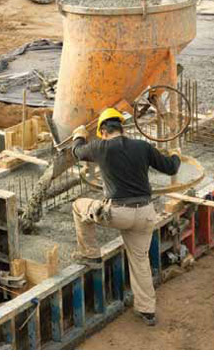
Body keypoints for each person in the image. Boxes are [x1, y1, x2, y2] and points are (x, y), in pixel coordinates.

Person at [71, 107, 181, 326]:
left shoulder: (101, 147)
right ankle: (147, 311)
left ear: (103, 131)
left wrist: (79, 135)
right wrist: (176, 153)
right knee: (140, 261)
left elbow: (77, 152)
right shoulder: (142, 146)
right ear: (122, 128)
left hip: (118, 214)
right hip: (146, 215)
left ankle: (91, 254)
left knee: (78, 206)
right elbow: (170, 168)